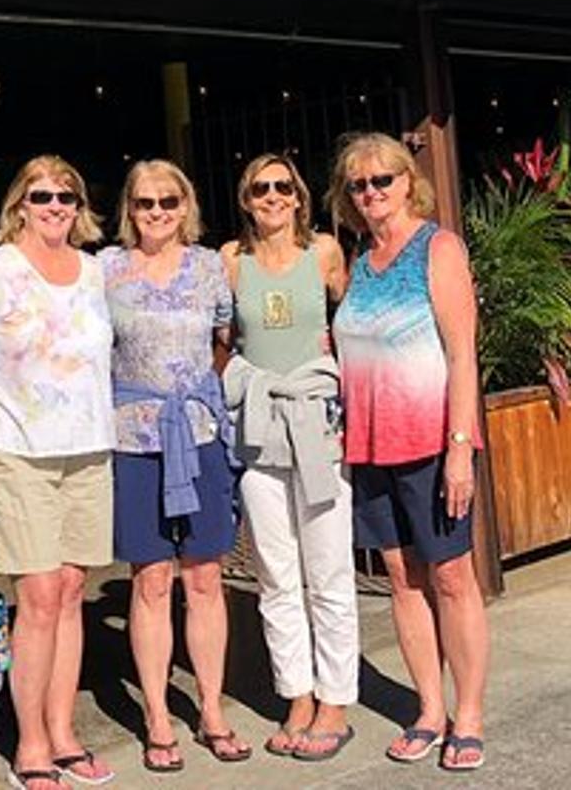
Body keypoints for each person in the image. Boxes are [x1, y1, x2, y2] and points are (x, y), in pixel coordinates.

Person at [0, 156, 118, 790]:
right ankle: (32, 744)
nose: (56, 206)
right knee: (38, 598)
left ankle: (65, 733)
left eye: (67, 195)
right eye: (42, 195)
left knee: (72, 592)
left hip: (89, 450)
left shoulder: (95, 273)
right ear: (20, 202)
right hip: (14, 452)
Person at [330, 132, 490, 773]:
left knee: (452, 577)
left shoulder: (437, 247)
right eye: (358, 185)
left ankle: (469, 713)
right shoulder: (357, 262)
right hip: (371, 447)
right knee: (401, 579)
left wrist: (459, 448)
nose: (371, 193)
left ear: (407, 181)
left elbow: (462, 353)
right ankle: (429, 707)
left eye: (382, 181)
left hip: (431, 440)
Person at [101, 159, 251, 772]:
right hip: (134, 438)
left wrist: (200, 391)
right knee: (151, 580)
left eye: (167, 201)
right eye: (144, 203)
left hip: (200, 431)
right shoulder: (104, 270)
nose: (156, 212)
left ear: (185, 205)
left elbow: (227, 337)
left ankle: (212, 709)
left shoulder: (211, 266)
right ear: (128, 209)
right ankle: (159, 717)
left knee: (206, 577)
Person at [218, 152, 357, 762]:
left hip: (317, 421)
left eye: (282, 187)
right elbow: (221, 342)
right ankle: (296, 693)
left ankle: (336, 701)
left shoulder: (324, 253)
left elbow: (351, 325)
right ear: (245, 200)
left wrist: (350, 408)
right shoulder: (231, 261)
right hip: (259, 424)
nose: (271, 197)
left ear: (299, 197)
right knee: (275, 571)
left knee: (327, 567)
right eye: (259, 188)